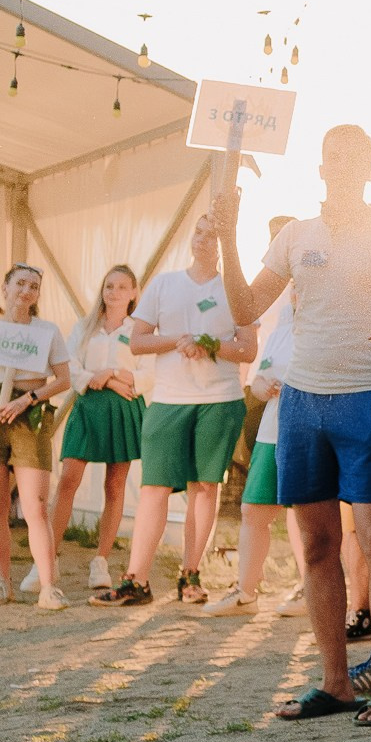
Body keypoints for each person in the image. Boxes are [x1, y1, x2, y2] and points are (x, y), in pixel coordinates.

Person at [214, 126, 371, 724]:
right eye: (334, 155)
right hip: (302, 402)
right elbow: (245, 309)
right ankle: (336, 682)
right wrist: (229, 236)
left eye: (356, 156)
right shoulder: (293, 236)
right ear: (321, 165)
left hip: (368, 399)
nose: (344, 166)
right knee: (315, 546)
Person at [91, 223, 256, 608]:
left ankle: (190, 575)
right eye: (199, 232)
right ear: (191, 239)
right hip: (168, 400)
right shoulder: (165, 284)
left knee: (204, 487)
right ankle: (137, 579)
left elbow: (248, 349)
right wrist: (180, 339)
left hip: (219, 399)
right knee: (154, 488)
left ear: (227, 242)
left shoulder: (237, 290)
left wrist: (209, 344)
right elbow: (138, 340)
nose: (204, 240)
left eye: (213, 234)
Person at [0, 263, 73, 609]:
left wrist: (29, 398)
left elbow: (64, 378)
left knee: (35, 505)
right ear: (5, 287)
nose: (26, 291)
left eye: (34, 286)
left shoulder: (47, 331)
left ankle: (48, 586)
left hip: (30, 413)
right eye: (20, 283)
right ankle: (1, 583)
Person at [46, 265, 146, 593]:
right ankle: (47, 557)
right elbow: (71, 366)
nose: (113, 292)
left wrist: (112, 374)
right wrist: (97, 379)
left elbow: (147, 373)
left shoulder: (139, 330)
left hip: (123, 410)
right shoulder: (84, 328)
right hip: (87, 407)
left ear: (133, 292)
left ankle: (100, 561)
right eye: (108, 286)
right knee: (69, 479)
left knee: (115, 486)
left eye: (121, 287)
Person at [232, 291, 302, 614]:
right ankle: (245, 592)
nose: (296, 292)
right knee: (253, 509)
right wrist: (261, 386)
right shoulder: (281, 327)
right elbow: (259, 377)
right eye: (294, 286)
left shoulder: (329, 325)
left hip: (306, 429)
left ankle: (308, 589)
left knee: (304, 512)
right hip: (271, 429)